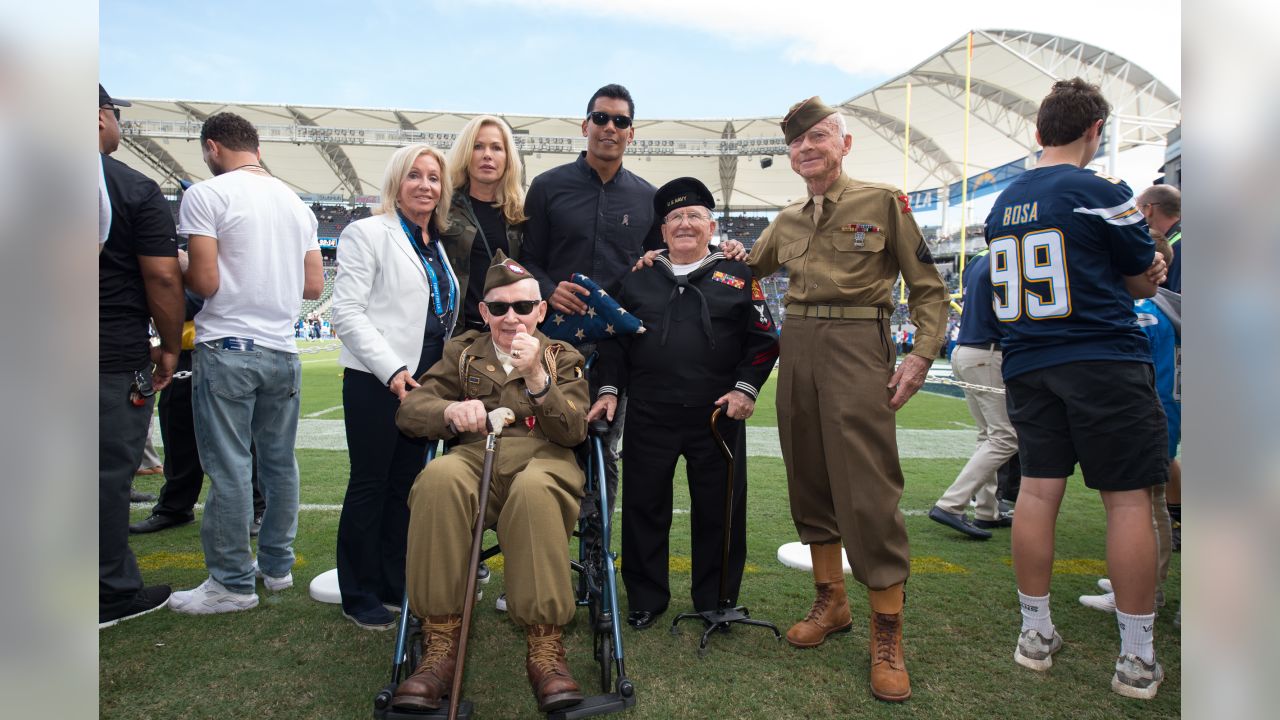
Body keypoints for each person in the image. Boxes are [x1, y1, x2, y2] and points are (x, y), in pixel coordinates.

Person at [735, 96, 949, 703]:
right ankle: (831, 604)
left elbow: (928, 288)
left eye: (820, 136)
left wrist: (920, 355)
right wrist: (673, 260)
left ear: (844, 144)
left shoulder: (883, 203)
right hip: (796, 344)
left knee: (868, 486)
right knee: (809, 476)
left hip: (859, 341)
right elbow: (744, 275)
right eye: (798, 142)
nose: (808, 148)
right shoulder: (786, 219)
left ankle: (887, 629)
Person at [989, 78, 1168, 700]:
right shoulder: (1102, 191)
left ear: (1038, 133)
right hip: (1100, 357)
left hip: (1028, 362)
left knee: (1037, 495)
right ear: (1096, 131)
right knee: (1126, 503)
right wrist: (1146, 271)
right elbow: (1143, 281)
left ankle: (1035, 632)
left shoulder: (1002, 203)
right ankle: (1136, 656)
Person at [391, 253, 589, 714]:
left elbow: (574, 431)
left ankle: (545, 649)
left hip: (545, 459)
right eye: (498, 308)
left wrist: (539, 377)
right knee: (438, 477)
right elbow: (410, 410)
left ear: (541, 310)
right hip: (475, 457)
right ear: (484, 312)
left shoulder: (563, 355)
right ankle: (438, 645)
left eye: (523, 307)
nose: (511, 318)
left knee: (534, 490)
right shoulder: (463, 353)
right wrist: (447, 411)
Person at [588, 178, 779, 630]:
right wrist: (610, 388)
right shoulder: (638, 277)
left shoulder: (738, 274)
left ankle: (717, 599)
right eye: (675, 218)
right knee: (643, 507)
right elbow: (613, 340)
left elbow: (765, 339)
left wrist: (744, 389)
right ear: (663, 230)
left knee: (720, 510)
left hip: (717, 416)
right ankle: (645, 598)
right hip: (649, 413)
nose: (685, 224)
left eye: (694, 216)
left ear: (711, 225)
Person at [168, 112, 323, 615]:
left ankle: (232, 582)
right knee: (278, 463)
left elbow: (206, 284)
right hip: (282, 348)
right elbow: (313, 287)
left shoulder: (207, 194)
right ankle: (275, 568)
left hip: (228, 345)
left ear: (213, 147)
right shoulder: (295, 204)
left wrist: (182, 265)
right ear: (255, 147)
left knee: (230, 466)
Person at [329, 143, 461, 630]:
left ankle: (391, 579)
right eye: (415, 176)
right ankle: (357, 590)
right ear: (396, 182)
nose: (425, 185)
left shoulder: (436, 244)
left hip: (426, 384)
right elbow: (346, 312)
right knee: (370, 482)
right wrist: (390, 370)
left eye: (434, 177)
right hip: (377, 380)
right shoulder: (367, 232)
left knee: (406, 486)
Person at [520, 83, 665, 520]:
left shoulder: (648, 197)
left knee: (604, 450)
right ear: (585, 125)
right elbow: (526, 261)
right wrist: (548, 289)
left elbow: (660, 264)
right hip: (553, 345)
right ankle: (537, 562)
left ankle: (595, 568)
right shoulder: (547, 187)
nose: (609, 127)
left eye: (620, 121)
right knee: (541, 447)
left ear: (631, 134)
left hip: (615, 351)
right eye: (601, 118)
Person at [98, 83, 185, 629]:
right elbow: (161, 275)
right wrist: (170, 345)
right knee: (105, 474)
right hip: (105, 351)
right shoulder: (126, 186)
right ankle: (108, 593)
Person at [928, 247, 1017, 539]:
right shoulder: (1010, 255)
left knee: (989, 434)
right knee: (1006, 436)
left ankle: (987, 512)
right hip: (988, 351)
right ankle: (952, 503)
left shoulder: (979, 257)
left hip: (967, 350)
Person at [443, 115, 526, 331]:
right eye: (478, 146)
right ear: (466, 154)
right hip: (457, 336)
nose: (487, 155)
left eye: (496, 148)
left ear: (508, 157)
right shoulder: (442, 208)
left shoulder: (520, 214)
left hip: (508, 334)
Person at [1135, 184, 1183, 550]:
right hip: (1164, 411)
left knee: (1148, 504)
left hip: (1150, 414)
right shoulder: (1164, 310)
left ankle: (1147, 593)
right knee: (1149, 502)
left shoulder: (1147, 314)